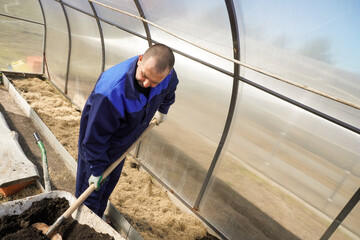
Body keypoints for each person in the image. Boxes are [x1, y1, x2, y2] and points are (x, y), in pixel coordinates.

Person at [75, 43, 179, 218]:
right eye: (144, 76)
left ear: (166, 74)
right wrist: (96, 168)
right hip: (97, 147)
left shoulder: (166, 76)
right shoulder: (111, 92)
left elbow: (170, 88)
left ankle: (98, 221)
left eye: (155, 82)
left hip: (122, 144)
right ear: (140, 60)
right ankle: (82, 226)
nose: (147, 84)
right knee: (90, 198)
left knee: (107, 189)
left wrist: (164, 108)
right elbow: (95, 137)